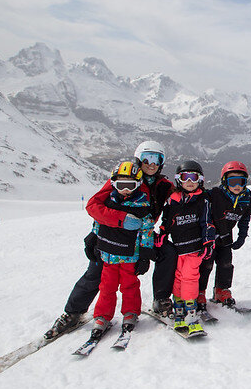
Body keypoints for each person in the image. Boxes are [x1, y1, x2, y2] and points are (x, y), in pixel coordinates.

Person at [44, 140, 171, 339]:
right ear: (139, 159)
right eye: (147, 158)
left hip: (142, 234)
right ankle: (73, 312)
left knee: (168, 253)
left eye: (157, 159)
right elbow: (94, 206)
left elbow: (187, 195)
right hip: (112, 234)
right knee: (96, 271)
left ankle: (161, 300)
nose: (151, 163)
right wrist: (107, 228)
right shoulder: (124, 177)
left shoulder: (164, 185)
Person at [90, 160, 156, 338]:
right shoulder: (108, 202)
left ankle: (130, 312)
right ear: (113, 184)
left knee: (130, 285)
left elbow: (147, 232)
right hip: (108, 256)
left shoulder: (142, 208)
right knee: (106, 287)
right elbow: (99, 222)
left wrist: (144, 255)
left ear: (139, 184)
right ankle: (103, 315)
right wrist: (94, 240)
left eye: (130, 185)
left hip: (130, 256)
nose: (125, 190)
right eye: (121, 185)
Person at [157, 160, 215, 335]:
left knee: (190, 278)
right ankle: (179, 307)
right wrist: (162, 233)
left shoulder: (202, 200)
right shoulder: (172, 201)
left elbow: (207, 223)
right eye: (185, 177)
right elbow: (167, 221)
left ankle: (191, 312)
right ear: (178, 180)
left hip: (194, 248)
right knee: (178, 277)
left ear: (200, 180)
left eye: (194, 177)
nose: (190, 181)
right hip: (177, 248)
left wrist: (208, 242)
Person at [198, 161, 251, 309]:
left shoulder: (246, 201)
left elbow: (244, 220)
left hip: (225, 238)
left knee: (226, 264)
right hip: (207, 237)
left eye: (241, 181)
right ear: (225, 181)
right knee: (206, 265)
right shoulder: (214, 195)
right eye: (233, 181)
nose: (237, 185)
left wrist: (242, 236)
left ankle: (221, 291)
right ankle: (199, 292)